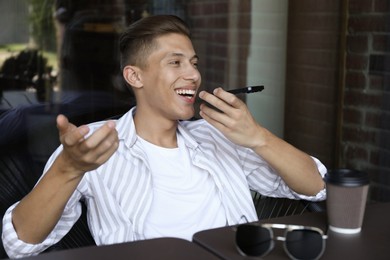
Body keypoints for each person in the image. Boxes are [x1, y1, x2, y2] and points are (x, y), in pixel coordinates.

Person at [2, 15, 326, 258]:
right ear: (134, 76)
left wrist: (257, 136)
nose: (194, 74)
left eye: (193, 63)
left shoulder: (218, 136)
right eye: (175, 62)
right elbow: (18, 244)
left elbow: (318, 186)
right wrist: (67, 169)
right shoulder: (93, 147)